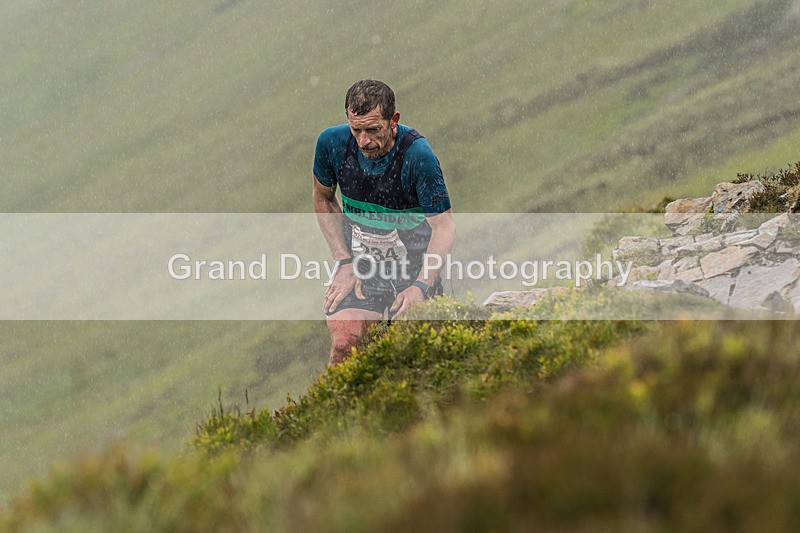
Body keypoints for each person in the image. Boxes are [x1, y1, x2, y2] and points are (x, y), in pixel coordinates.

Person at [312, 79, 455, 366]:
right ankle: (340, 408)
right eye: (356, 130)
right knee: (344, 345)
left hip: (414, 269)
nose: (363, 141)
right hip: (361, 267)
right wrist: (343, 261)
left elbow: (444, 226)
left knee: (410, 358)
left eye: (373, 129)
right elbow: (323, 198)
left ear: (393, 121)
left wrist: (420, 286)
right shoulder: (331, 144)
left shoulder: (417, 155)